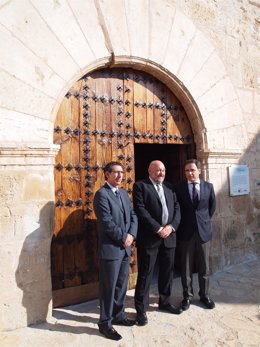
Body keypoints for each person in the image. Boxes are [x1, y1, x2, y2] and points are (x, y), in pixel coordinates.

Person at [133, 160, 182, 326]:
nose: (160, 173)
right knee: (146, 274)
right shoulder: (140, 186)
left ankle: (165, 301)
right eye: (157, 170)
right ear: (149, 170)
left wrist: (172, 227)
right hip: (150, 237)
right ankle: (141, 309)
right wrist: (157, 228)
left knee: (167, 272)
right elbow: (140, 210)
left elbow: (177, 208)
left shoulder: (169, 186)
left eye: (163, 170)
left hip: (169, 236)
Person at [93, 161, 138, 341]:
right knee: (108, 288)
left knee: (121, 286)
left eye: (122, 172)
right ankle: (105, 322)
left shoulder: (123, 194)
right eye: (115, 172)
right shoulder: (101, 195)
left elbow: (133, 216)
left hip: (125, 248)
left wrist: (132, 235)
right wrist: (124, 237)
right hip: (111, 249)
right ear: (106, 174)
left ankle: (119, 316)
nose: (120, 176)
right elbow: (106, 222)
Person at [174, 159, 216, 311]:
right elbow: (177, 209)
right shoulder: (178, 188)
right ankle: (187, 297)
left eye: (192, 170)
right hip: (185, 233)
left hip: (203, 232)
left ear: (199, 170)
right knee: (186, 268)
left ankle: (205, 295)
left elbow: (211, 208)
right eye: (186, 171)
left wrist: (202, 223)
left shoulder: (208, 187)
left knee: (204, 267)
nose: (189, 173)